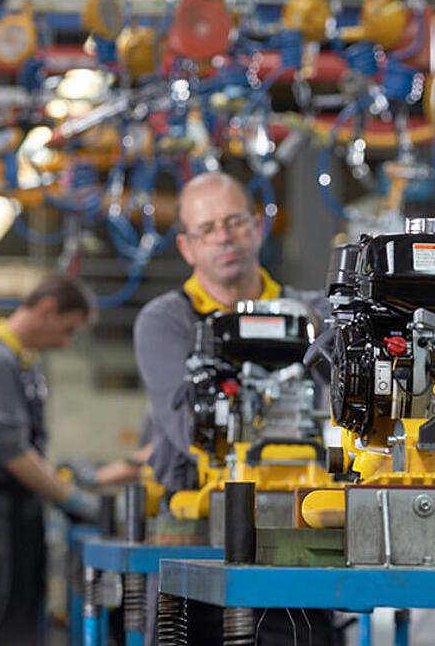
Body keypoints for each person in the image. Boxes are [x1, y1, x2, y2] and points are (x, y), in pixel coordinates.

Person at [130, 171, 340, 645]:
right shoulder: (167, 320)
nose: (224, 236)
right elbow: (188, 430)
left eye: (234, 222)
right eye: (207, 229)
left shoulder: (311, 314)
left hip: (299, 532)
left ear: (258, 227)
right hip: (196, 536)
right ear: (187, 247)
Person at [0, 273, 105, 644]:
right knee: (3, 623)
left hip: (19, 512)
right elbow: (15, 455)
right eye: (67, 330)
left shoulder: (24, 362)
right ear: (47, 309)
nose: (67, 343)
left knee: (23, 618)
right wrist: (73, 500)